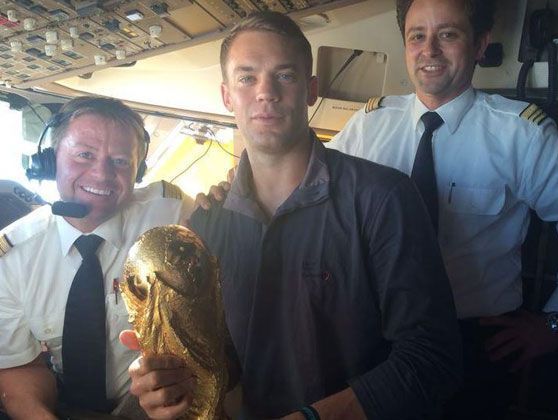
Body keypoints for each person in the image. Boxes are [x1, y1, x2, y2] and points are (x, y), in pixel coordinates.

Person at [124, 10, 462, 420]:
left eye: (284, 75)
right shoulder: (207, 225)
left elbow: (432, 358)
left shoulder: (382, 198)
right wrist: (171, 384)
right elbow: (222, 357)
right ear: (227, 95)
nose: (265, 91)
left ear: (310, 90)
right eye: (247, 77)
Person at [327, 0, 558, 418]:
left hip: (473, 345)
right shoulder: (368, 126)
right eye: (417, 36)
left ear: (480, 44)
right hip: (371, 334)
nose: (429, 50)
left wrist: (557, 321)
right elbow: (314, 196)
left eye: (448, 34)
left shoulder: (521, 135)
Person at [0, 96, 197, 419]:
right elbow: (21, 367)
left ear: (138, 170)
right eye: (84, 155)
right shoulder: (14, 258)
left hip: (155, 404)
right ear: (50, 161)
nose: (101, 174)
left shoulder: (172, 215)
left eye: (120, 161)